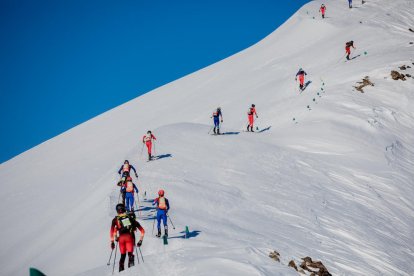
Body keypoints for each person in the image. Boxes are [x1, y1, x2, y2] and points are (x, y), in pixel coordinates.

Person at [110, 203, 145, 272]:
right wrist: (140, 240)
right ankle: (131, 271)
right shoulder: (130, 218)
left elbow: (113, 231)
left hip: (121, 239)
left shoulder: (115, 220)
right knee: (130, 255)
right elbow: (142, 231)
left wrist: (113, 241)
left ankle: (121, 271)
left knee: (122, 256)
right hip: (129, 237)